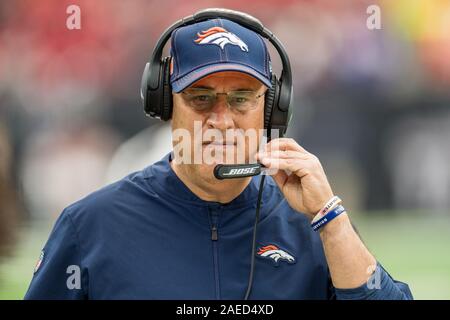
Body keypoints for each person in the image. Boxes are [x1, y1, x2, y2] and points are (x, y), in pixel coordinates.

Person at [24, 9, 412, 300]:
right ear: (165, 106)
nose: (222, 120)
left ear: (273, 109)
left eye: (242, 99)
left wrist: (332, 221)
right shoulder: (92, 226)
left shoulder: (313, 223)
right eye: (201, 98)